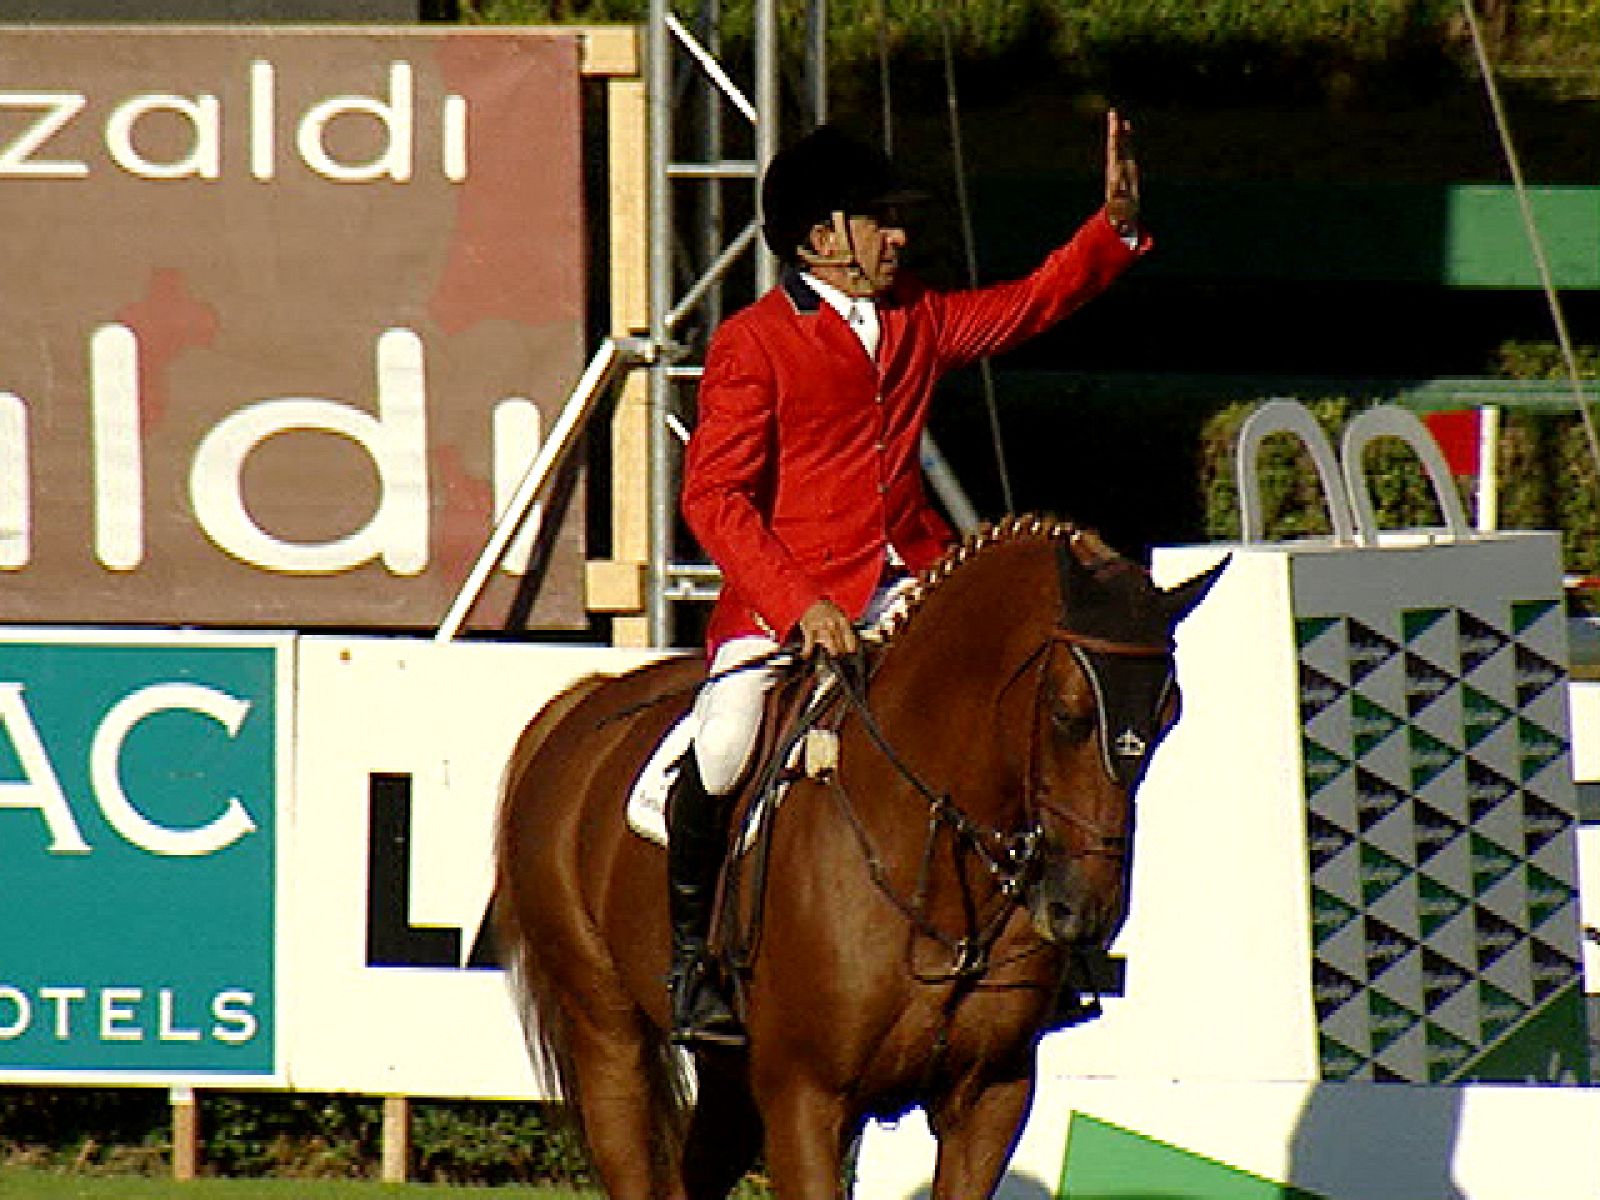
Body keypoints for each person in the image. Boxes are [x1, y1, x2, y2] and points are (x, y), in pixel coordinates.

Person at [666, 111, 1149, 1048]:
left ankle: (1053, 952)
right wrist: (799, 603)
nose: (899, 236)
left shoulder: (918, 315)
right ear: (819, 237)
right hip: (789, 594)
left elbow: (1029, 304)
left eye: (898, 220)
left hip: (911, 578)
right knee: (724, 747)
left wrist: (1113, 230)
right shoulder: (753, 343)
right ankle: (695, 961)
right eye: (879, 220)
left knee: (1012, 709)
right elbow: (714, 498)